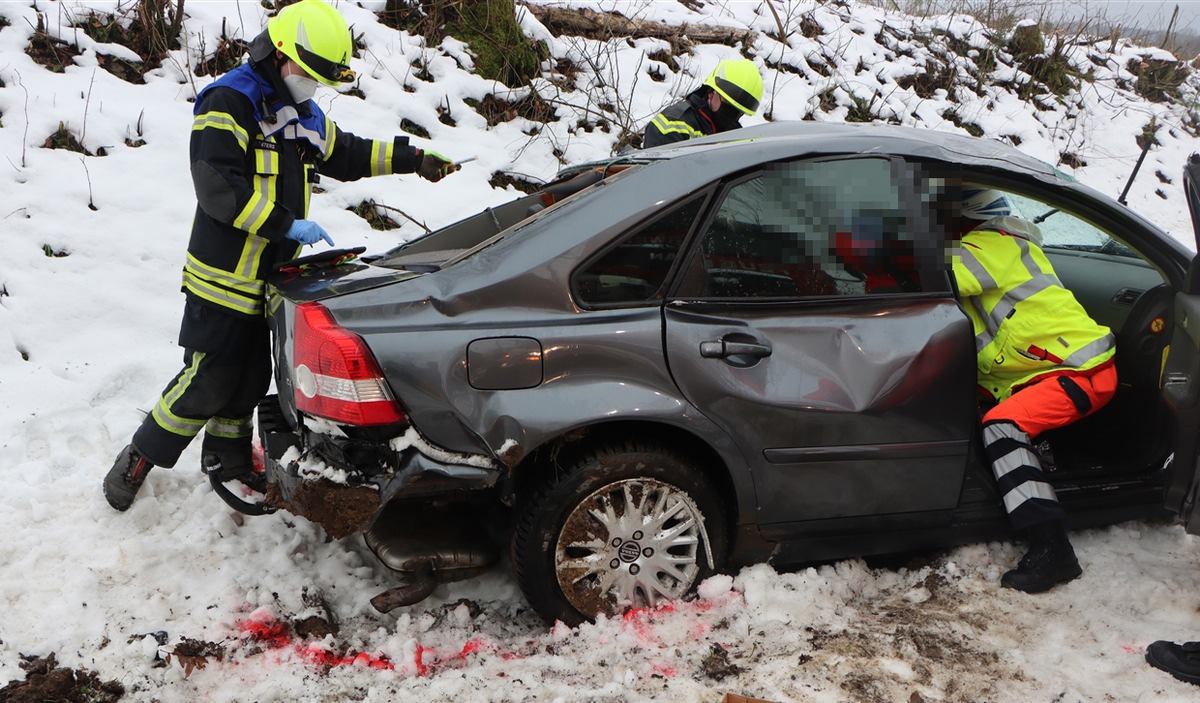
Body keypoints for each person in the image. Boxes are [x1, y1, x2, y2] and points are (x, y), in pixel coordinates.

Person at [103, 0, 461, 512]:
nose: (312, 85)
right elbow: (217, 187)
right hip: (223, 278)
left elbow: (349, 153)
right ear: (281, 55)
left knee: (250, 377)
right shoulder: (230, 101)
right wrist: (284, 223)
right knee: (208, 380)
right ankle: (140, 456)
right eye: (309, 73)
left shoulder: (300, 111)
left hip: (272, 277)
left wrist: (416, 158)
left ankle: (227, 459)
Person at [946, 186, 1117, 592]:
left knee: (1002, 427)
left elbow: (929, 273)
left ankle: (1052, 549)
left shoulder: (994, 245)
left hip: (1078, 370)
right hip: (1036, 373)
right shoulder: (989, 244)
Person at [642, 58, 763, 148]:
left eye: (739, 111)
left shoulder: (733, 135)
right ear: (712, 93)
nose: (733, 114)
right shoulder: (671, 125)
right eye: (729, 104)